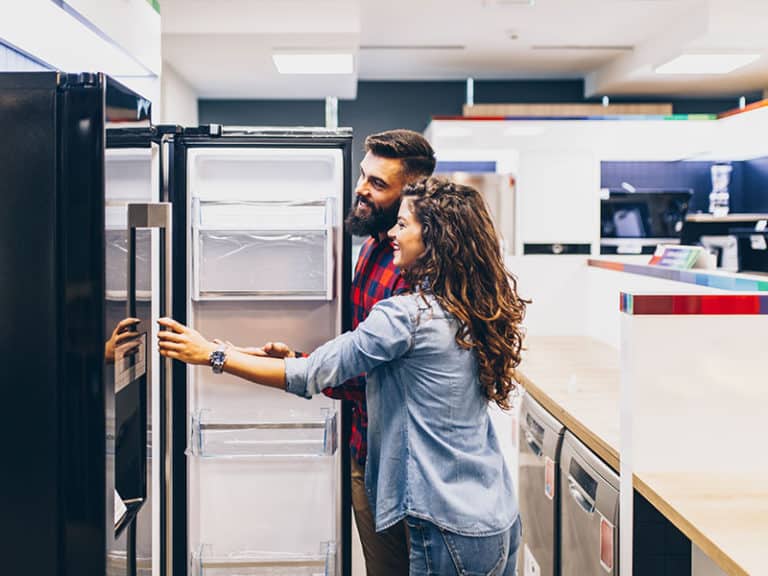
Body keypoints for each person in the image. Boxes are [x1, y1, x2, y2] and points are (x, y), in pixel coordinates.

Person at [158, 176, 527, 575]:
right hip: (495, 518)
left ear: (436, 237)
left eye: (403, 225)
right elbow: (347, 367)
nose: (391, 233)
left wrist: (212, 356)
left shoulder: (406, 316)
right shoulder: (471, 305)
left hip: (444, 524)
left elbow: (307, 375)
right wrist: (239, 351)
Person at [237, 128, 436, 576]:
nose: (362, 190)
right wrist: (305, 358)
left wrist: (228, 358)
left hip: (411, 467)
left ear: (414, 194)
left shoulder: (420, 272)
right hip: (364, 448)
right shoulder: (371, 247)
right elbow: (358, 348)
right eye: (364, 176)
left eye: (379, 184)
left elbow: (375, 373)